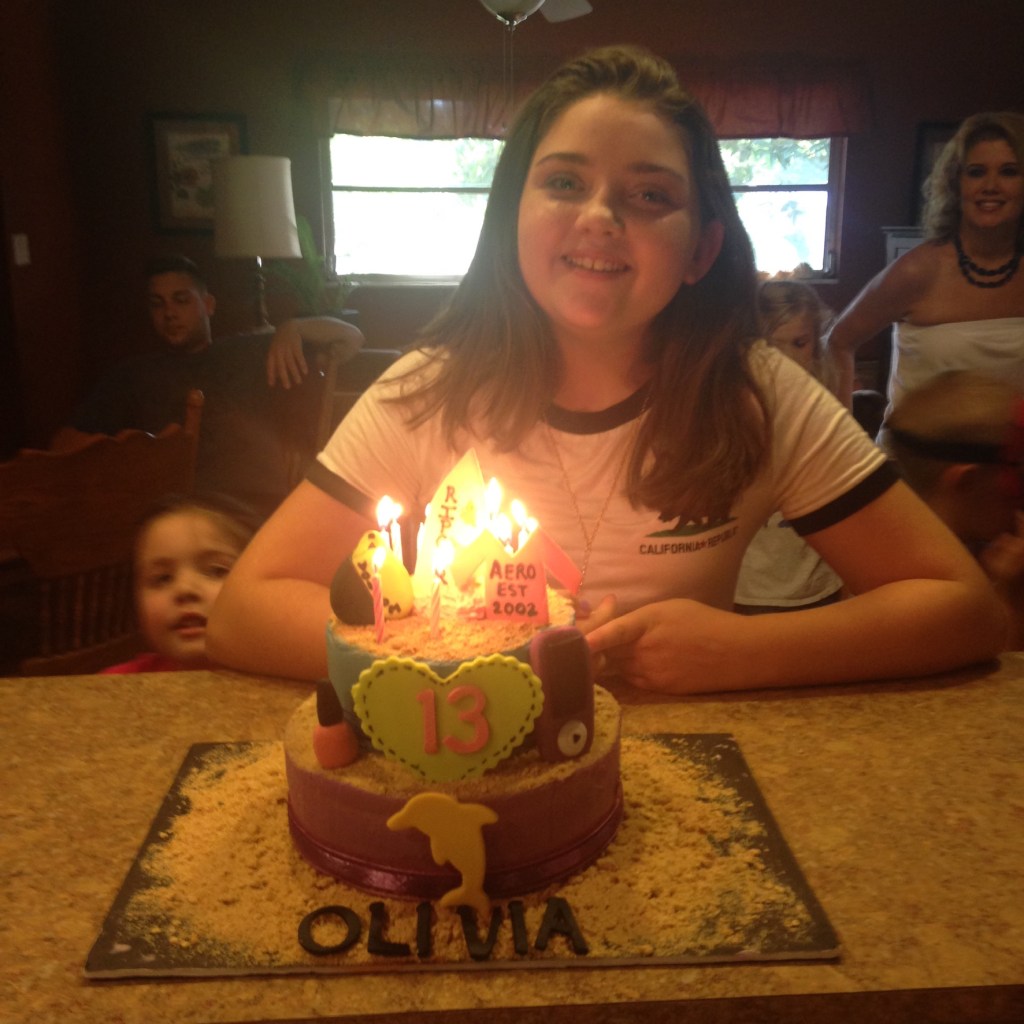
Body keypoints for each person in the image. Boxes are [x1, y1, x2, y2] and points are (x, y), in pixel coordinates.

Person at [207, 45, 1004, 693]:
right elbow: (244, 611)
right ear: (512, 218)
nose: (598, 216)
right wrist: (445, 659)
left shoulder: (759, 392)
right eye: (563, 182)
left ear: (701, 250)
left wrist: (743, 650)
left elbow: (963, 608)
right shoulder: (429, 389)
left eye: (650, 195)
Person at [52, 255, 364, 517]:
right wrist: (135, 453)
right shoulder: (132, 375)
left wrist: (293, 327)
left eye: (181, 300)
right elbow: (63, 445)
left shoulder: (251, 350)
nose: (169, 313)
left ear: (208, 304)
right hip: (175, 511)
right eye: (158, 304)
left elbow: (350, 338)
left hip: (258, 505)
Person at [826, 111, 1024, 415]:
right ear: (956, 183)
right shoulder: (917, 270)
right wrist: (842, 436)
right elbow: (838, 342)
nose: (990, 186)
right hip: (912, 447)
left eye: (1009, 172)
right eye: (976, 172)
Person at [880, 370, 1024, 649]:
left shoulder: (980, 547)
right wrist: (1012, 597)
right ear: (966, 481)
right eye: (1019, 471)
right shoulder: (911, 584)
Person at [734, 281, 844, 613]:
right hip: (747, 588)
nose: (786, 359)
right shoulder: (730, 415)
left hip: (815, 586)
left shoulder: (828, 413)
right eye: (771, 345)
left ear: (816, 345)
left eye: (799, 343)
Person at [103, 493, 258, 673]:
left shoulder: (282, 680)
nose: (184, 589)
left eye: (216, 571)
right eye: (163, 578)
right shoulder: (117, 682)